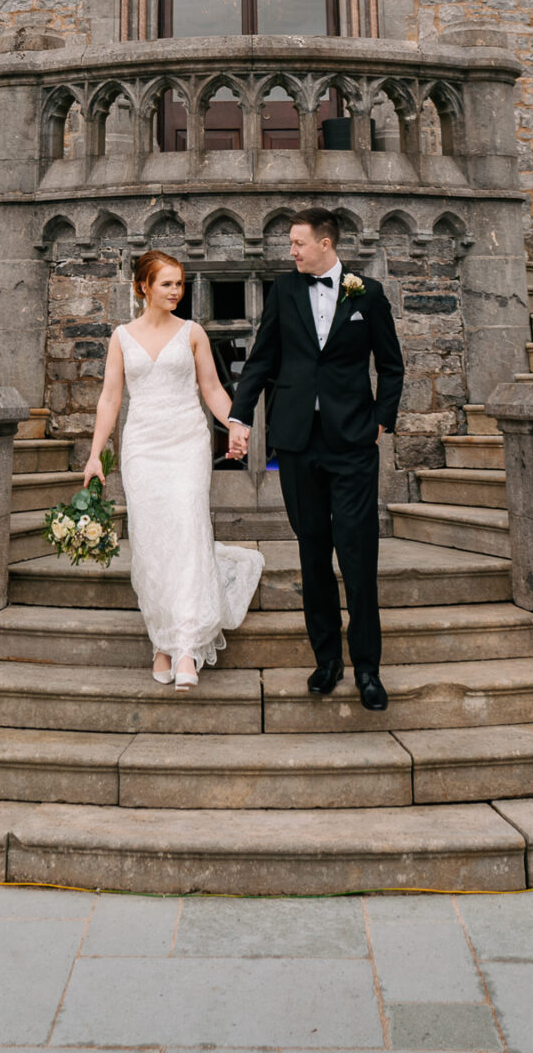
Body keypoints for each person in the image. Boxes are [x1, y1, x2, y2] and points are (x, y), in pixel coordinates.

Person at [226, 206, 404, 711]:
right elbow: (260, 360)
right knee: (313, 553)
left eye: (298, 242)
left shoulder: (366, 294)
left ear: (326, 243)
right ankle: (327, 661)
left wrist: (382, 421)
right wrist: (240, 419)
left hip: (352, 444)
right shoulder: (284, 291)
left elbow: (391, 366)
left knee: (358, 555)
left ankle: (368, 669)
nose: (291, 250)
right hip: (298, 444)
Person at [82, 249, 265, 689]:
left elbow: (212, 388)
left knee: (185, 529)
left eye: (180, 284)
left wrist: (235, 424)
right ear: (143, 286)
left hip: (186, 443)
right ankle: (161, 640)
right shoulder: (121, 337)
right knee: (151, 541)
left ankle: (185, 647)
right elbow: (110, 399)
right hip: (143, 447)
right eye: (167, 284)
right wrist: (95, 454)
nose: (176, 292)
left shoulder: (193, 333)